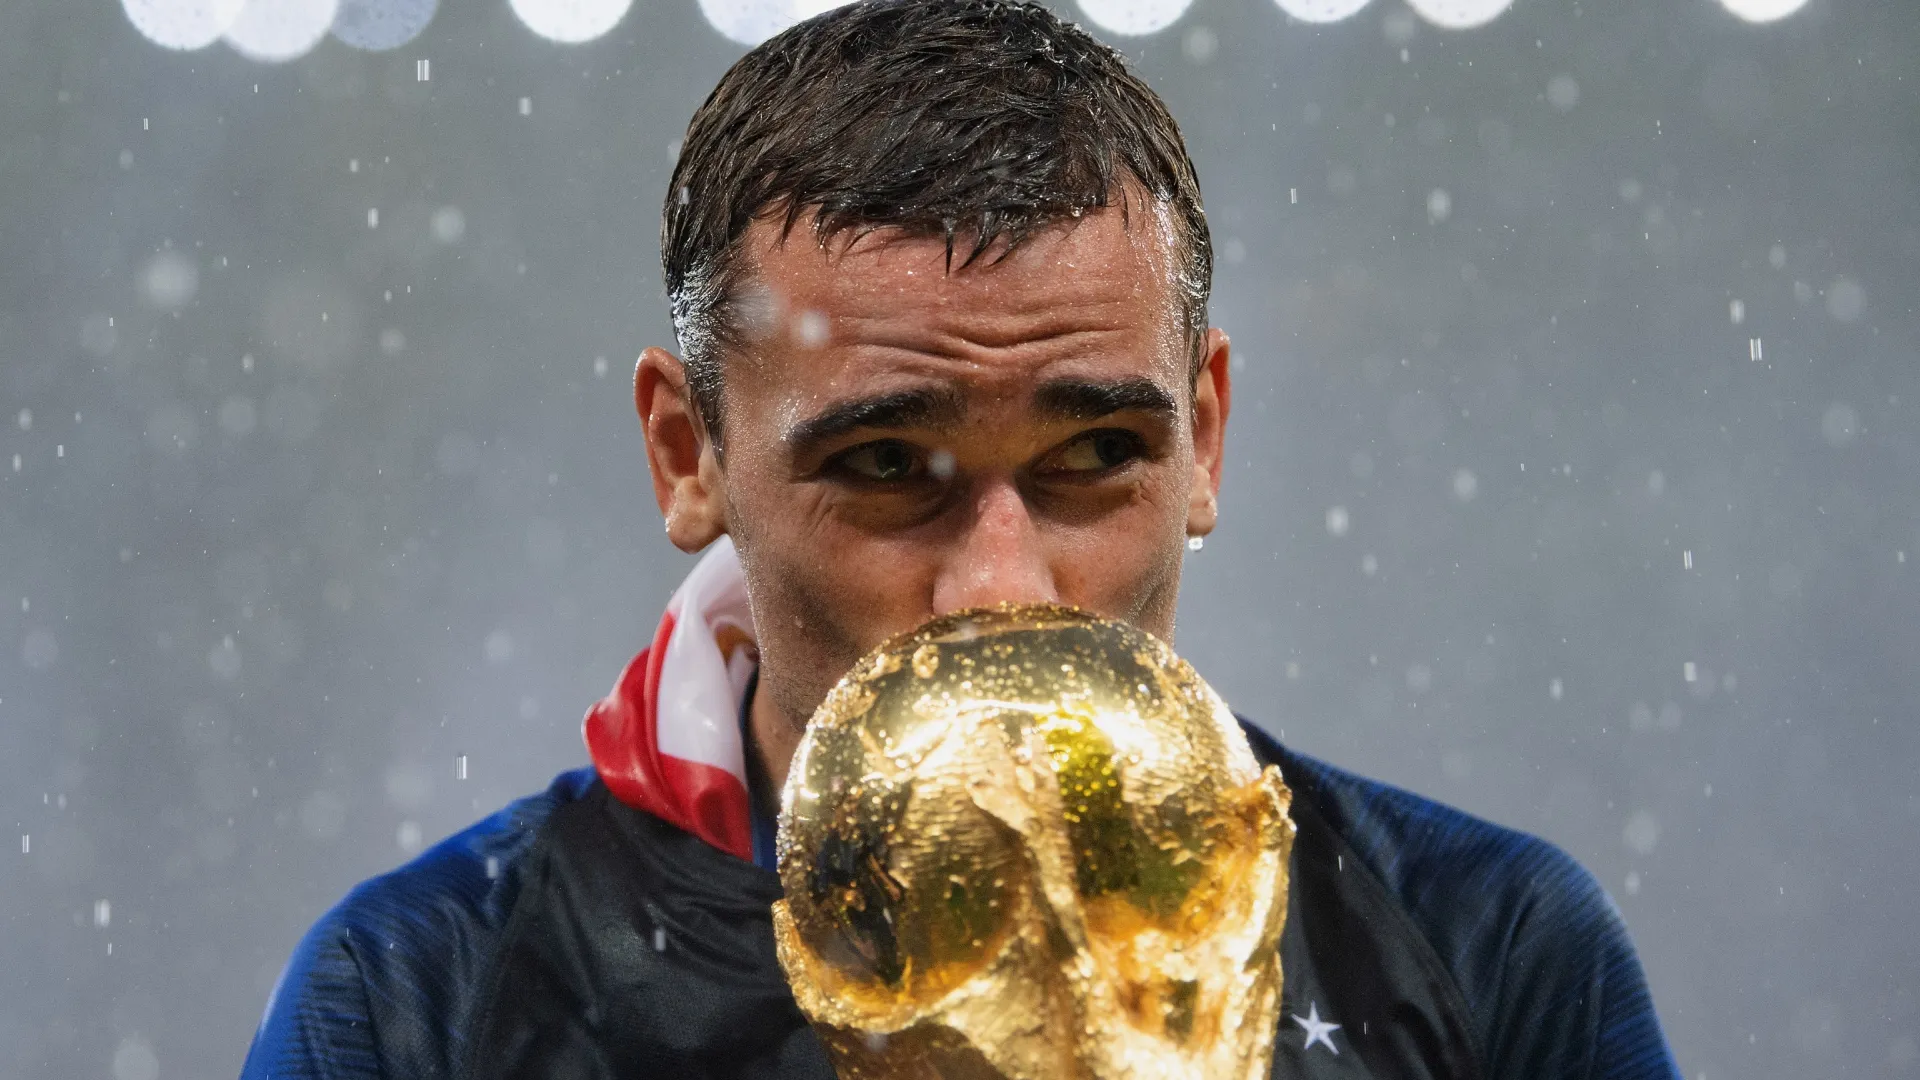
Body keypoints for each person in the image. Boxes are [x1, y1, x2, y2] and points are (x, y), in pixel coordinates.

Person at [241, 1, 1683, 1077]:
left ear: (1206, 436)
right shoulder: (418, 1001)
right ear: (691, 455)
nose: (1001, 585)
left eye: (1093, 459)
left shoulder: (1489, 955)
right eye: (886, 469)